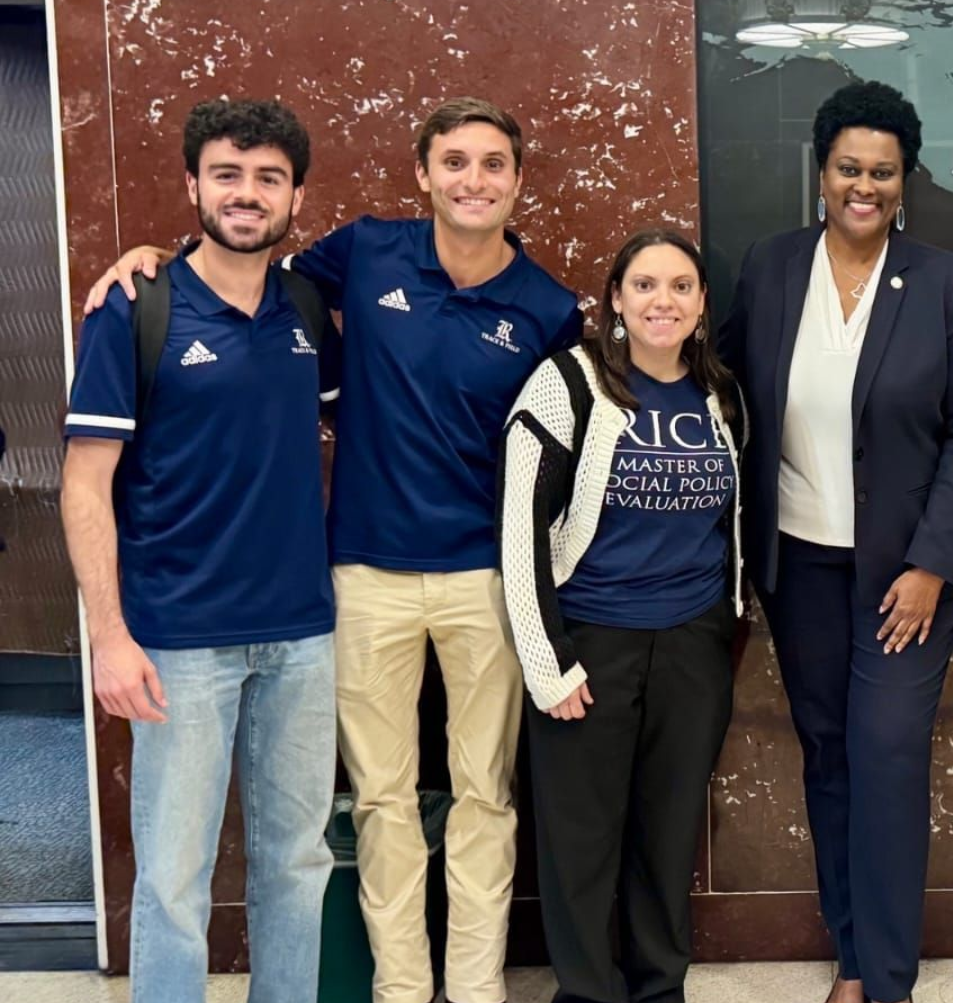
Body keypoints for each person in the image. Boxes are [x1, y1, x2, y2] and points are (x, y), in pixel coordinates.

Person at [86, 97, 584, 1003]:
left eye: (494, 164)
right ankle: (400, 989)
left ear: (517, 180)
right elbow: (237, 253)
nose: (474, 180)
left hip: (481, 581)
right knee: (379, 805)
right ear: (424, 172)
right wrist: (147, 257)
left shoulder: (548, 308)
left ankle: (473, 990)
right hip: (359, 577)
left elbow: (560, 458)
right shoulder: (359, 254)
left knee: (481, 801)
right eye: (455, 161)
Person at [717, 80, 953, 1003]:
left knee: (884, 752)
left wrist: (929, 564)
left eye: (883, 172)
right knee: (829, 752)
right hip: (797, 563)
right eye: (849, 168)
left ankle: (884, 973)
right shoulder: (769, 266)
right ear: (822, 172)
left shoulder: (948, 285)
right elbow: (723, 389)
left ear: (904, 181)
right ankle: (849, 950)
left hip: (905, 574)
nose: (864, 186)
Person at [62, 99, 339, 1002]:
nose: (246, 194)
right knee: (174, 883)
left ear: (295, 194)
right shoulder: (136, 308)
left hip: (302, 635)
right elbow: (84, 483)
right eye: (227, 173)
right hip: (178, 643)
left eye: (268, 177)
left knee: (298, 864)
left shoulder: (305, 306)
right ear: (193, 185)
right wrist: (108, 634)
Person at [497, 228, 742, 1003]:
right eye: (643, 285)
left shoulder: (721, 394)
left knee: (667, 835)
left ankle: (659, 988)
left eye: (679, 286)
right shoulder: (565, 384)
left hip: (693, 641)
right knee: (581, 841)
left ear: (702, 304)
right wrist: (547, 663)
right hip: (591, 638)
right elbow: (520, 533)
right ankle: (589, 993)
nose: (661, 301)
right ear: (615, 299)